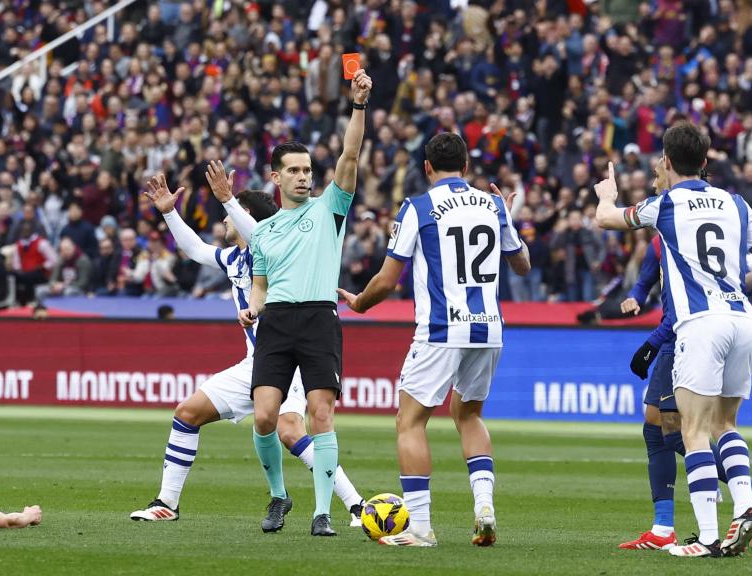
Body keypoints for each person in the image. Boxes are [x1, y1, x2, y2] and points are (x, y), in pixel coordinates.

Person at [129, 166, 364, 526]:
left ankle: (356, 505)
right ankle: (167, 503)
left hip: (291, 357)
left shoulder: (275, 248)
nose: (225, 220)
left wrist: (228, 199)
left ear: (246, 214)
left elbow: (259, 236)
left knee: (290, 431)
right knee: (187, 414)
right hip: (256, 362)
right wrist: (169, 213)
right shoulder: (234, 258)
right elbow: (195, 249)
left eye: (230, 213)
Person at [594, 122, 752, 558]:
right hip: (742, 319)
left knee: (693, 430)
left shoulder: (665, 204)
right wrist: (737, 286)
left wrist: (607, 195)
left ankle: (708, 538)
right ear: (704, 160)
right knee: (726, 425)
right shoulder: (736, 203)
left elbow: (607, 219)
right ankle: (747, 505)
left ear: (666, 160)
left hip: (700, 324)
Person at [337, 132, 530, 547]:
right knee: (468, 415)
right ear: (466, 166)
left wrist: (360, 303)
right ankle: (484, 508)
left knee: (410, 421)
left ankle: (420, 527)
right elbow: (523, 265)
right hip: (489, 329)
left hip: (442, 328)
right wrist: (507, 220)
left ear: (426, 167)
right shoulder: (493, 205)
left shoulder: (418, 207)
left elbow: (388, 280)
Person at [238, 69, 373, 537]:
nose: (303, 177)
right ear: (275, 177)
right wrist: (253, 307)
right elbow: (260, 286)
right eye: (293, 171)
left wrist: (358, 105)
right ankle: (279, 495)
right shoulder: (263, 233)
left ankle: (322, 513)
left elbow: (350, 153)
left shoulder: (329, 207)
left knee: (321, 415)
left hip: (318, 317)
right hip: (276, 321)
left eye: (307, 170)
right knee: (264, 416)